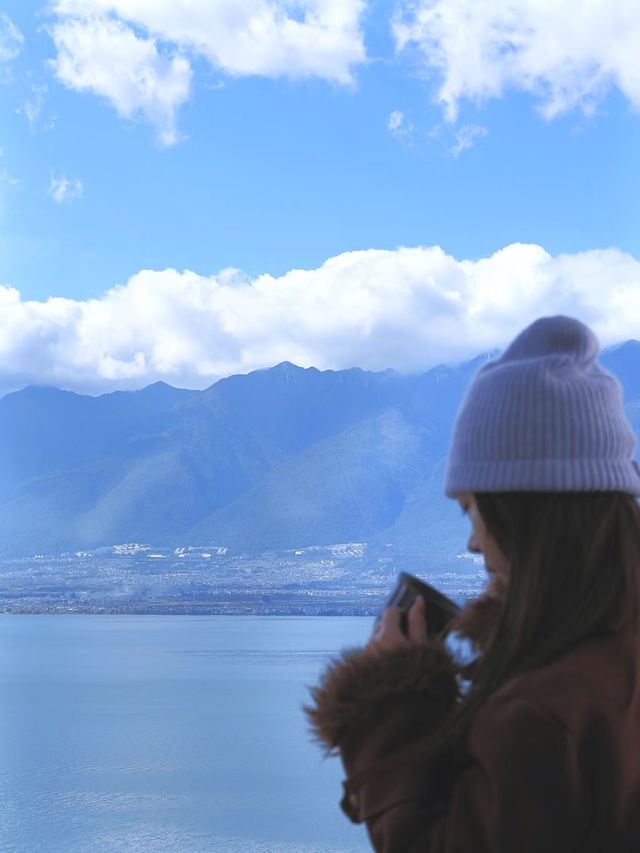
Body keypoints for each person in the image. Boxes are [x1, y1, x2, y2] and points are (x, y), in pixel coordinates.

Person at [304, 315, 640, 851]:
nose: (473, 544)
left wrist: (392, 706)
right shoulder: (614, 658)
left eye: (470, 511)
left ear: (519, 514)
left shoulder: (542, 715)